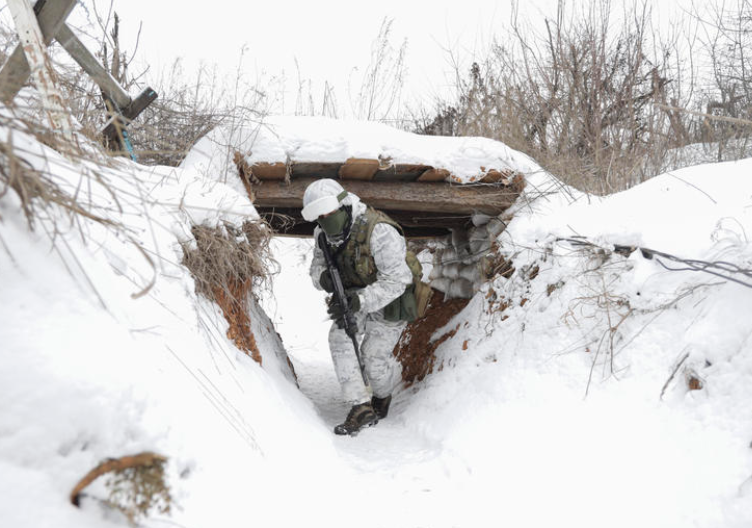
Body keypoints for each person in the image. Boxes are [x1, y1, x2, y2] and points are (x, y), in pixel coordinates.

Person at [301, 178, 420, 435]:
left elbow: (398, 279)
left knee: (373, 358)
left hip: (392, 299)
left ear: (344, 206)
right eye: (320, 217)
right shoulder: (322, 233)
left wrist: (361, 301)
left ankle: (383, 396)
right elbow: (317, 267)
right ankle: (360, 406)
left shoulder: (379, 231)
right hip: (355, 297)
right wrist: (323, 279)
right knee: (339, 338)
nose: (325, 220)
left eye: (330, 213)